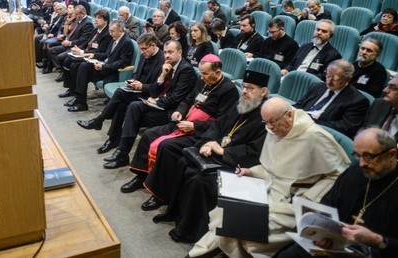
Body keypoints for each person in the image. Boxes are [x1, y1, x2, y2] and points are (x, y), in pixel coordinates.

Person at [188, 97, 350, 258]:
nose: (271, 128)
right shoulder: (274, 130)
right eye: (266, 123)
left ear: (289, 115)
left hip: (293, 202)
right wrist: (252, 172)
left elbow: (339, 175)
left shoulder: (314, 137)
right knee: (228, 212)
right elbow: (271, 168)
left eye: (273, 122)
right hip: (266, 190)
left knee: (243, 227)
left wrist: (311, 195)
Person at [148, 71, 270, 243]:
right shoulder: (242, 104)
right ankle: (175, 213)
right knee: (183, 162)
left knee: (199, 180)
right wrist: (207, 142)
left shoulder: (266, 117)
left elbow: (254, 151)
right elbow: (218, 126)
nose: (244, 91)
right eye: (243, 87)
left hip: (237, 165)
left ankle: (188, 230)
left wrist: (221, 151)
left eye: (250, 88)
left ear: (263, 91)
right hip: (216, 153)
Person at [122, 55, 238, 208]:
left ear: (217, 73)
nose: (202, 78)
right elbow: (188, 99)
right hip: (184, 121)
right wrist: (180, 112)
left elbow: (221, 123)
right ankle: (141, 176)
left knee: (166, 147)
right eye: (201, 74)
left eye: (205, 74)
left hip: (201, 133)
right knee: (149, 135)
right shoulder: (202, 81)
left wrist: (195, 126)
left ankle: (160, 194)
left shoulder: (229, 90)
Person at [276, 127, 398, 258]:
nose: (362, 163)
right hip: (331, 246)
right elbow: (328, 205)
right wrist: (322, 233)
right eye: (358, 155)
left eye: (368, 156)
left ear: (391, 154)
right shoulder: (354, 173)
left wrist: (377, 240)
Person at [102, 40, 196, 169]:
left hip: (172, 112)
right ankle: (122, 152)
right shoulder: (167, 66)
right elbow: (153, 91)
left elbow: (175, 99)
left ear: (179, 52)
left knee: (132, 111)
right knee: (133, 107)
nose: (167, 55)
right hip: (159, 105)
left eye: (171, 52)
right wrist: (162, 75)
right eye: (166, 52)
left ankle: (121, 152)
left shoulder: (186, 70)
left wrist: (156, 101)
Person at [76, 33, 165, 153]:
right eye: (141, 49)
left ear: (153, 45)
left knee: (119, 94)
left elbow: (159, 87)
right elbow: (136, 73)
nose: (142, 52)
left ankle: (100, 121)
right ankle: (112, 139)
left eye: (144, 49)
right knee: (120, 104)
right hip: (137, 89)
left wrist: (142, 86)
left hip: (149, 94)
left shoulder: (162, 60)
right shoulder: (144, 55)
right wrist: (133, 80)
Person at [64, 20, 134, 112]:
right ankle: (79, 99)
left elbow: (122, 63)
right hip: (105, 66)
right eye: (109, 31)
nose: (110, 33)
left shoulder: (126, 42)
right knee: (82, 66)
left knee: (83, 68)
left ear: (120, 30)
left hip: (112, 72)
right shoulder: (115, 39)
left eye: (112, 31)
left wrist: (103, 67)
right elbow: (106, 54)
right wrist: (94, 55)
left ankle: (80, 101)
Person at [294, 59, 370, 138]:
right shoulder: (317, 86)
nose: (329, 81)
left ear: (348, 79)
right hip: (299, 124)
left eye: (336, 78)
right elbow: (299, 105)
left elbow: (344, 127)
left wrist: (310, 121)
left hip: (320, 134)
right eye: (328, 75)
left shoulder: (358, 101)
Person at [57, 9, 111, 93]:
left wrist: (82, 52)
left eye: (99, 18)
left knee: (75, 65)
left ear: (106, 21)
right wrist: (78, 49)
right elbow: (87, 42)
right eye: (95, 17)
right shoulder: (96, 29)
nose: (96, 20)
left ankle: (77, 92)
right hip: (87, 53)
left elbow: (100, 51)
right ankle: (71, 89)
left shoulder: (107, 34)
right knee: (67, 60)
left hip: (96, 58)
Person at [45, 4, 95, 74]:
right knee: (51, 49)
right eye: (75, 14)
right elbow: (71, 32)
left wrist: (70, 43)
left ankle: (63, 72)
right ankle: (60, 69)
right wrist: (65, 38)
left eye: (77, 14)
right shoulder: (77, 20)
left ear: (83, 13)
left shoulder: (87, 23)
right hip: (68, 43)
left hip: (76, 46)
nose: (76, 16)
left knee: (60, 57)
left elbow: (84, 39)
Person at [364, 76, 398, 141]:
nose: (385, 90)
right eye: (388, 86)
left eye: (392, 88)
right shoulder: (379, 104)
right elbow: (364, 130)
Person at [35, 2, 67, 68]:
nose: (59, 11)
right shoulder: (58, 16)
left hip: (56, 35)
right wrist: (46, 34)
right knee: (37, 38)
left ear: (65, 8)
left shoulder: (66, 17)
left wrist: (53, 35)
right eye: (57, 9)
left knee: (43, 42)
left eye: (60, 9)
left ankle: (47, 63)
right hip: (50, 33)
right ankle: (38, 59)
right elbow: (51, 26)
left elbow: (60, 30)